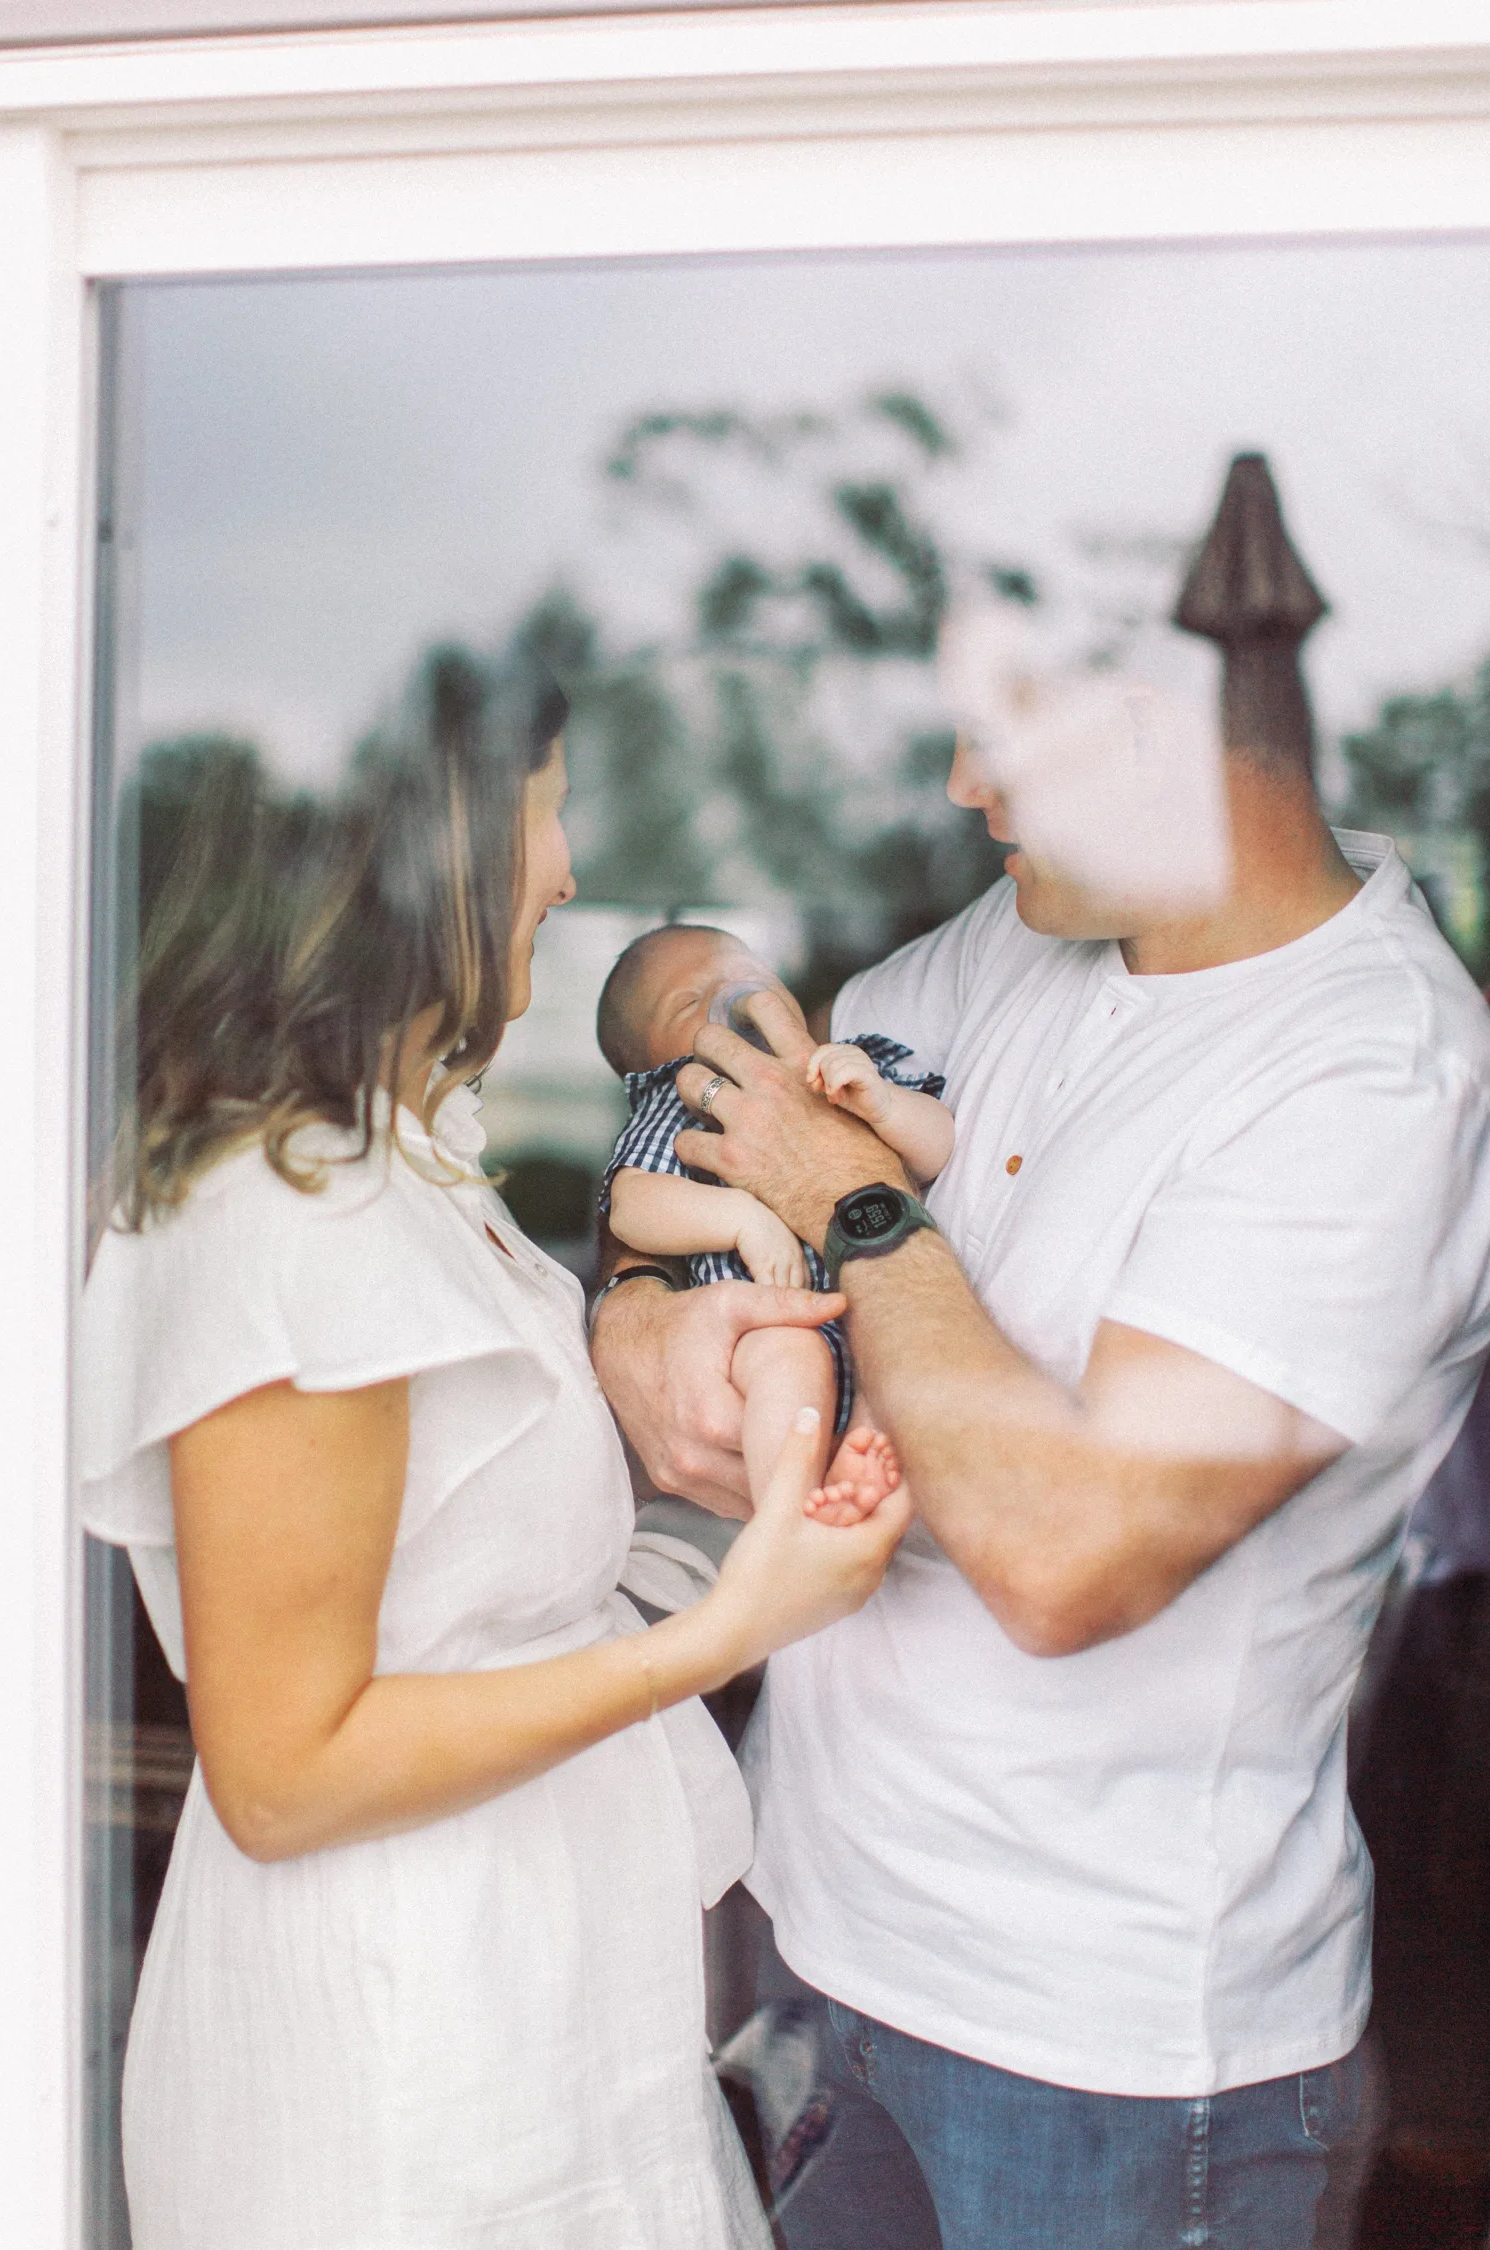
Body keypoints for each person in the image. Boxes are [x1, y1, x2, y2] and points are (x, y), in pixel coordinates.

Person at [591, 717, 1490, 2250]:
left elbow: (1063, 1554)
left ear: (1176, 703)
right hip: (820, 1943)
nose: (957, 785)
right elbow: (738, 1161)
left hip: (1098, 2057)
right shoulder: (1013, 940)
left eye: (1005, 723)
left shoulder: (1374, 1068)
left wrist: (852, 1195)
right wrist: (633, 1316)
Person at [77, 651, 907, 2250]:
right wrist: (733, 1632)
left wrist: (703, 1481)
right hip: (400, 2078)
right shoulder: (286, 1214)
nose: (570, 869)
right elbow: (286, 1766)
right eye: (550, 811)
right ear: (433, 846)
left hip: (517, 2020)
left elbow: (472, 1568)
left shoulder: (402, 1171)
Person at [596, 923, 952, 1522]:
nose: (732, 992)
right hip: (775, 1321)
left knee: (902, 1376)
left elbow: (938, 1145)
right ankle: (788, 1516)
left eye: (748, 972)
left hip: (887, 1308)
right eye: (688, 1002)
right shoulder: (679, 1101)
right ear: (651, 1057)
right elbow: (632, 1206)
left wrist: (885, 1105)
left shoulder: (849, 1063)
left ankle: (859, 1475)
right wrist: (740, 1220)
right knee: (788, 1364)